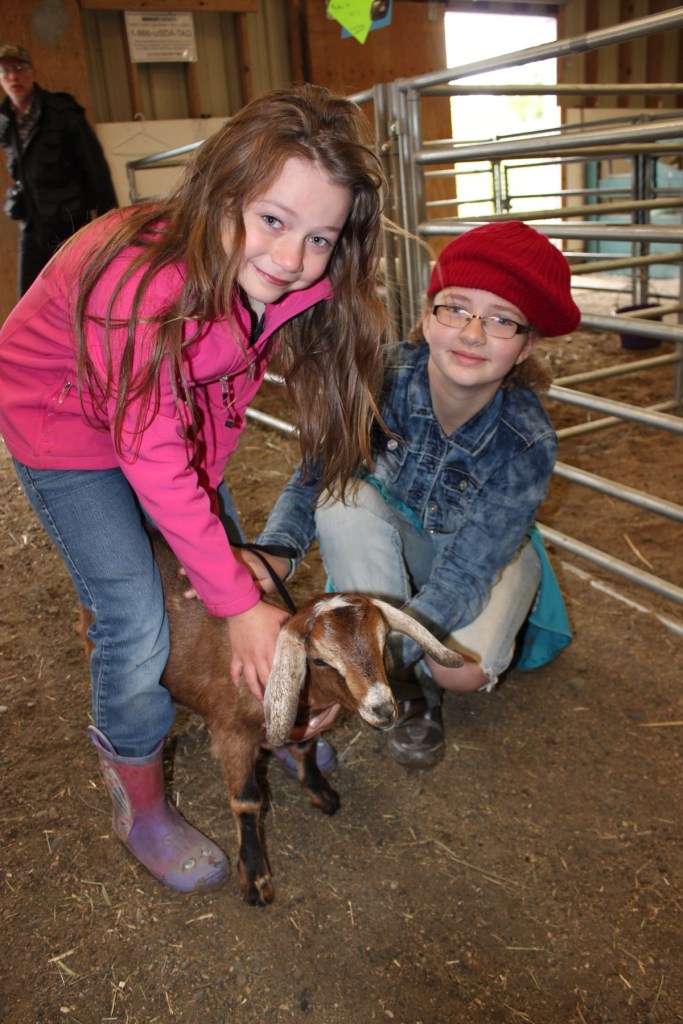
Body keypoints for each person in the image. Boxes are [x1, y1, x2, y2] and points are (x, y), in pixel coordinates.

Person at [0, 84, 387, 890]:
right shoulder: (141, 278)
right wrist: (237, 602)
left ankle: (267, 719)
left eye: (320, 237)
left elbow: (207, 401)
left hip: (166, 424)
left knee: (233, 578)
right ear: (221, 190)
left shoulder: (297, 287)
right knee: (138, 617)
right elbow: (146, 449)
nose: (291, 258)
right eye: (272, 220)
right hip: (63, 423)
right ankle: (139, 800)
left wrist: (228, 578)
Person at [249, 220, 580, 769]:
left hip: (479, 561)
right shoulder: (380, 377)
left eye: (502, 320)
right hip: (393, 537)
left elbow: (468, 573)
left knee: (462, 670)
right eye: (456, 308)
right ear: (427, 318)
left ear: (525, 348)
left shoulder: (528, 441)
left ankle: (411, 671)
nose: (473, 333)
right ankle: (408, 690)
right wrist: (279, 549)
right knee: (343, 498)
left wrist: (350, 667)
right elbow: (317, 473)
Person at [0, 43, 117, 297]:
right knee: (27, 299)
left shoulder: (63, 113)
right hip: (32, 226)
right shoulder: (5, 120)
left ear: (33, 73)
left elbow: (94, 167)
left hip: (69, 223)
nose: (13, 77)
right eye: (5, 71)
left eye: (19, 69)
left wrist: (110, 220)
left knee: (84, 293)